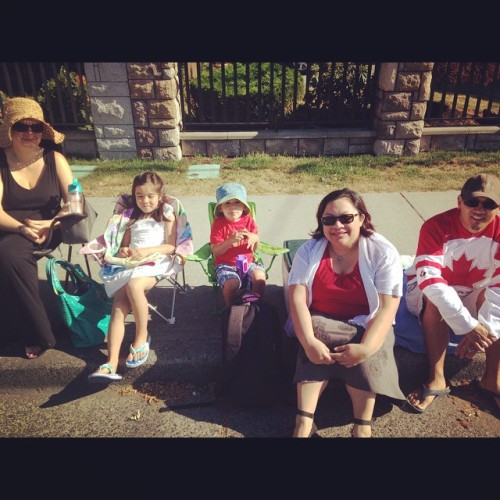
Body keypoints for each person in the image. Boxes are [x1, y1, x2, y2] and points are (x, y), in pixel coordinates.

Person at [286, 188, 405, 438]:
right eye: (328, 220)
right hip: (321, 317)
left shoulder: (382, 252)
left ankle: (362, 425)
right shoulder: (309, 251)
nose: (337, 225)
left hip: (366, 317)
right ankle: (304, 422)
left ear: (361, 218)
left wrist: (366, 349)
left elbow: (387, 306)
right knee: (315, 333)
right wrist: (308, 343)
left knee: (369, 343)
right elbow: (296, 296)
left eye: (346, 218)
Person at [406, 173, 500, 417]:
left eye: (488, 204)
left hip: (474, 292)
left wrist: (485, 330)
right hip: (432, 294)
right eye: (473, 202)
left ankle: (492, 380)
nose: (480, 210)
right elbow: (431, 282)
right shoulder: (436, 226)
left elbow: (499, 288)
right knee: (436, 299)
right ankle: (437, 379)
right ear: (459, 201)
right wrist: (467, 325)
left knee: (491, 300)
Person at [88, 171, 181, 383]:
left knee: (134, 286)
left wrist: (147, 252)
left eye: (150, 196)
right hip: (133, 263)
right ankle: (110, 363)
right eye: (140, 196)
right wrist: (124, 252)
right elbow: (124, 245)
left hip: (156, 261)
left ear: (160, 195)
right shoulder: (130, 216)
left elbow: (170, 245)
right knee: (119, 306)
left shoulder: (166, 213)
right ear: (134, 196)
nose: (145, 201)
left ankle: (141, 339)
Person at [0, 97, 72, 359]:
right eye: (22, 127)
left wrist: (52, 222)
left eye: (36, 127)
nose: (30, 133)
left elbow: (75, 202)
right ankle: (19, 327)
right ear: (10, 130)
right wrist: (20, 228)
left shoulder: (55, 159)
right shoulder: (1, 162)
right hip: (10, 227)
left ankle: (37, 335)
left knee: (9, 256)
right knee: (9, 252)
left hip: (51, 225)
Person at [210, 182, 266, 306]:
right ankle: (232, 309)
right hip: (226, 264)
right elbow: (216, 251)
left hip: (249, 262)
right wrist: (230, 241)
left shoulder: (249, 222)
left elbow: (255, 248)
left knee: (260, 278)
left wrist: (255, 238)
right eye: (227, 203)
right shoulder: (219, 224)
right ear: (220, 208)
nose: (233, 207)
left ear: (244, 207)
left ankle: (254, 306)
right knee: (232, 284)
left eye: (237, 202)